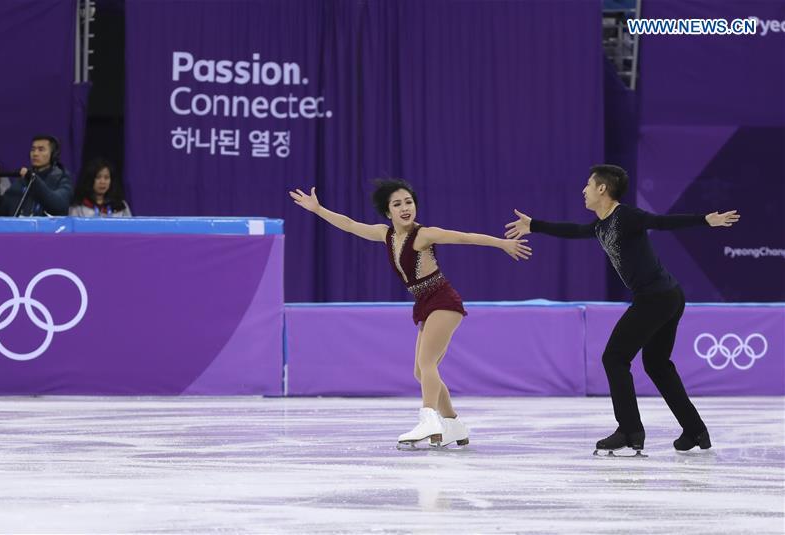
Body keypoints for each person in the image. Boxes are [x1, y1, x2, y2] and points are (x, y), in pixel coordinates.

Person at [504, 164, 739, 455]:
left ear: (602, 189)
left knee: (614, 358)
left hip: (656, 297)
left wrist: (705, 220)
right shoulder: (600, 225)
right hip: (667, 295)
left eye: (588, 185)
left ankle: (629, 430)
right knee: (656, 364)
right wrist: (534, 225)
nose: (584, 190)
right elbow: (574, 230)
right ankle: (694, 429)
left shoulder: (626, 216)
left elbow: (661, 222)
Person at [290, 179, 532, 448]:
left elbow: (464, 237)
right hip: (424, 303)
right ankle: (452, 424)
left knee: (427, 364)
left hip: (443, 300)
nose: (405, 208)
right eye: (397, 204)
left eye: (408, 202)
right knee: (421, 371)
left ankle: (429, 418)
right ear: (387, 212)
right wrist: (318, 209)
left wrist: (502, 244)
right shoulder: (386, 234)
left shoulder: (424, 234)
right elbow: (349, 224)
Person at [0, 135, 72, 216]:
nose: (35, 154)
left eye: (41, 149)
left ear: (53, 155)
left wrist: (34, 180)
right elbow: (1, 210)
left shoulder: (61, 178)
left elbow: (59, 206)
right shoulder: (23, 179)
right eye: (33, 149)